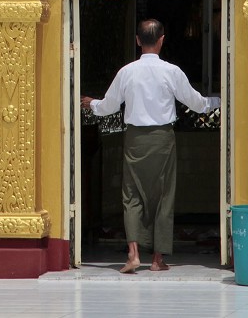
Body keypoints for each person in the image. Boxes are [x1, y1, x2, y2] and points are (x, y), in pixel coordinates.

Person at [81, 19, 220, 273]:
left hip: (134, 139)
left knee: (131, 195)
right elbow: (198, 103)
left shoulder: (127, 72)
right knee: (163, 196)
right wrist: (221, 100)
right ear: (162, 40)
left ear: (137, 40)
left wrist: (91, 104)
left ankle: (133, 254)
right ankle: (157, 259)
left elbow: (108, 106)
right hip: (162, 138)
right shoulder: (171, 71)